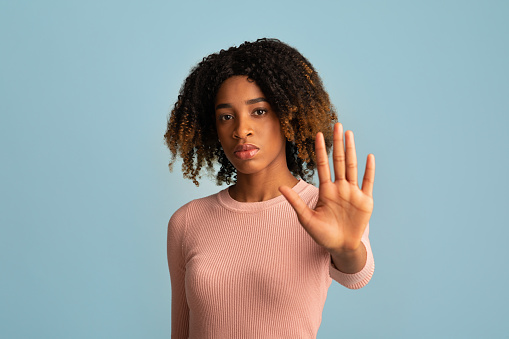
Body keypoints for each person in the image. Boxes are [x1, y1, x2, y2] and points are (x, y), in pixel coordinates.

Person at [164, 38, 375, 338]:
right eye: (226, 116)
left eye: (258, 111)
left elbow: (357, 273)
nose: (241, 129)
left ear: (287, 116)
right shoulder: (187, 222)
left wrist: (346, 247)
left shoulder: (325, 207)